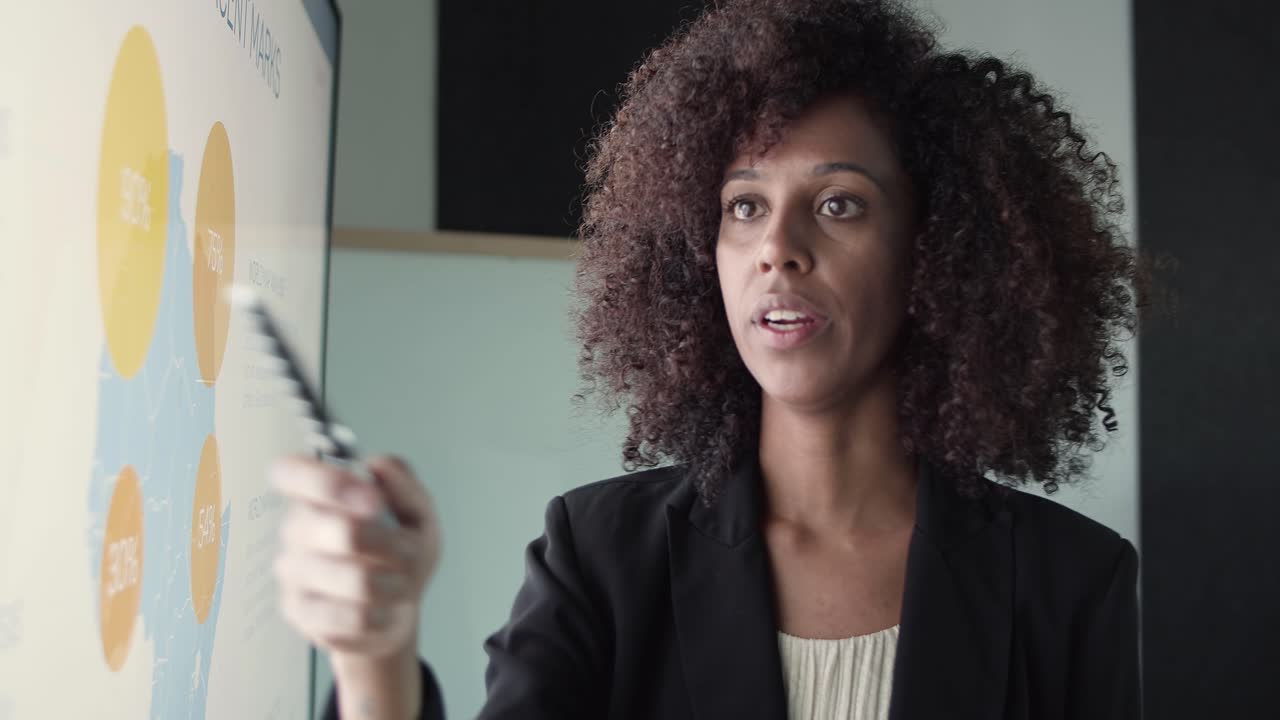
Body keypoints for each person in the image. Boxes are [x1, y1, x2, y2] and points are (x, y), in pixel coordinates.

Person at [271, 0, 1150, 717]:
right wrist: (377, 660)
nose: (778, 247)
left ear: (939, 248)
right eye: (743, 207)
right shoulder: (601, 556)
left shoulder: (1069, 580)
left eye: (839, 204)